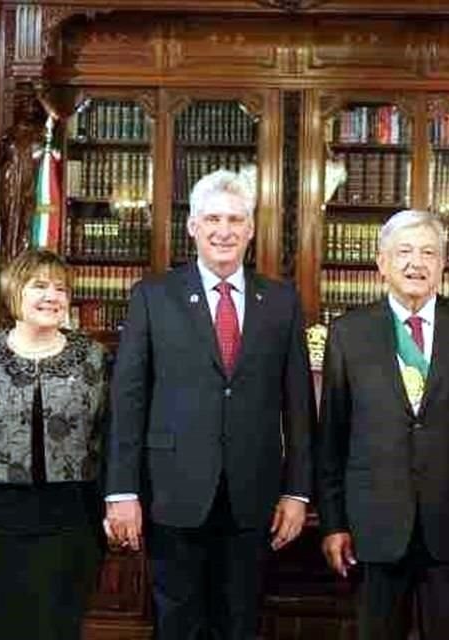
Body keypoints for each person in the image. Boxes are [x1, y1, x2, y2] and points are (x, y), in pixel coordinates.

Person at [104, 169, 315, 639]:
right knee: (176, 621)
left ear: (251, 229)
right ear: (193, 226)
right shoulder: (154, 296)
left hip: (252, 493)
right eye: (213, 218)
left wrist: (297, 492)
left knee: (239, 622)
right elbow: (128, 399)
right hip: (172, 490)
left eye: (236, 219)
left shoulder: (281, 301)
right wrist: (121, 491)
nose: (225, 230)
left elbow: (298, 405)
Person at [315, 209, 449, 640]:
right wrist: (334, 523)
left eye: (428, 252)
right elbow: (331, 439)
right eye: (403, 252)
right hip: (374, 528)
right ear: (381, 264)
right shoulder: (349, 333)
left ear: (443, 264)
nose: (415, 263)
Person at [0, 249, 109, 640]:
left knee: (58, 626)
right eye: (40, 286)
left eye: (61, 289)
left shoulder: (93, 358)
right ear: (14, 292)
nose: (53, 296)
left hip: (71, 517)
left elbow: (108, 438)